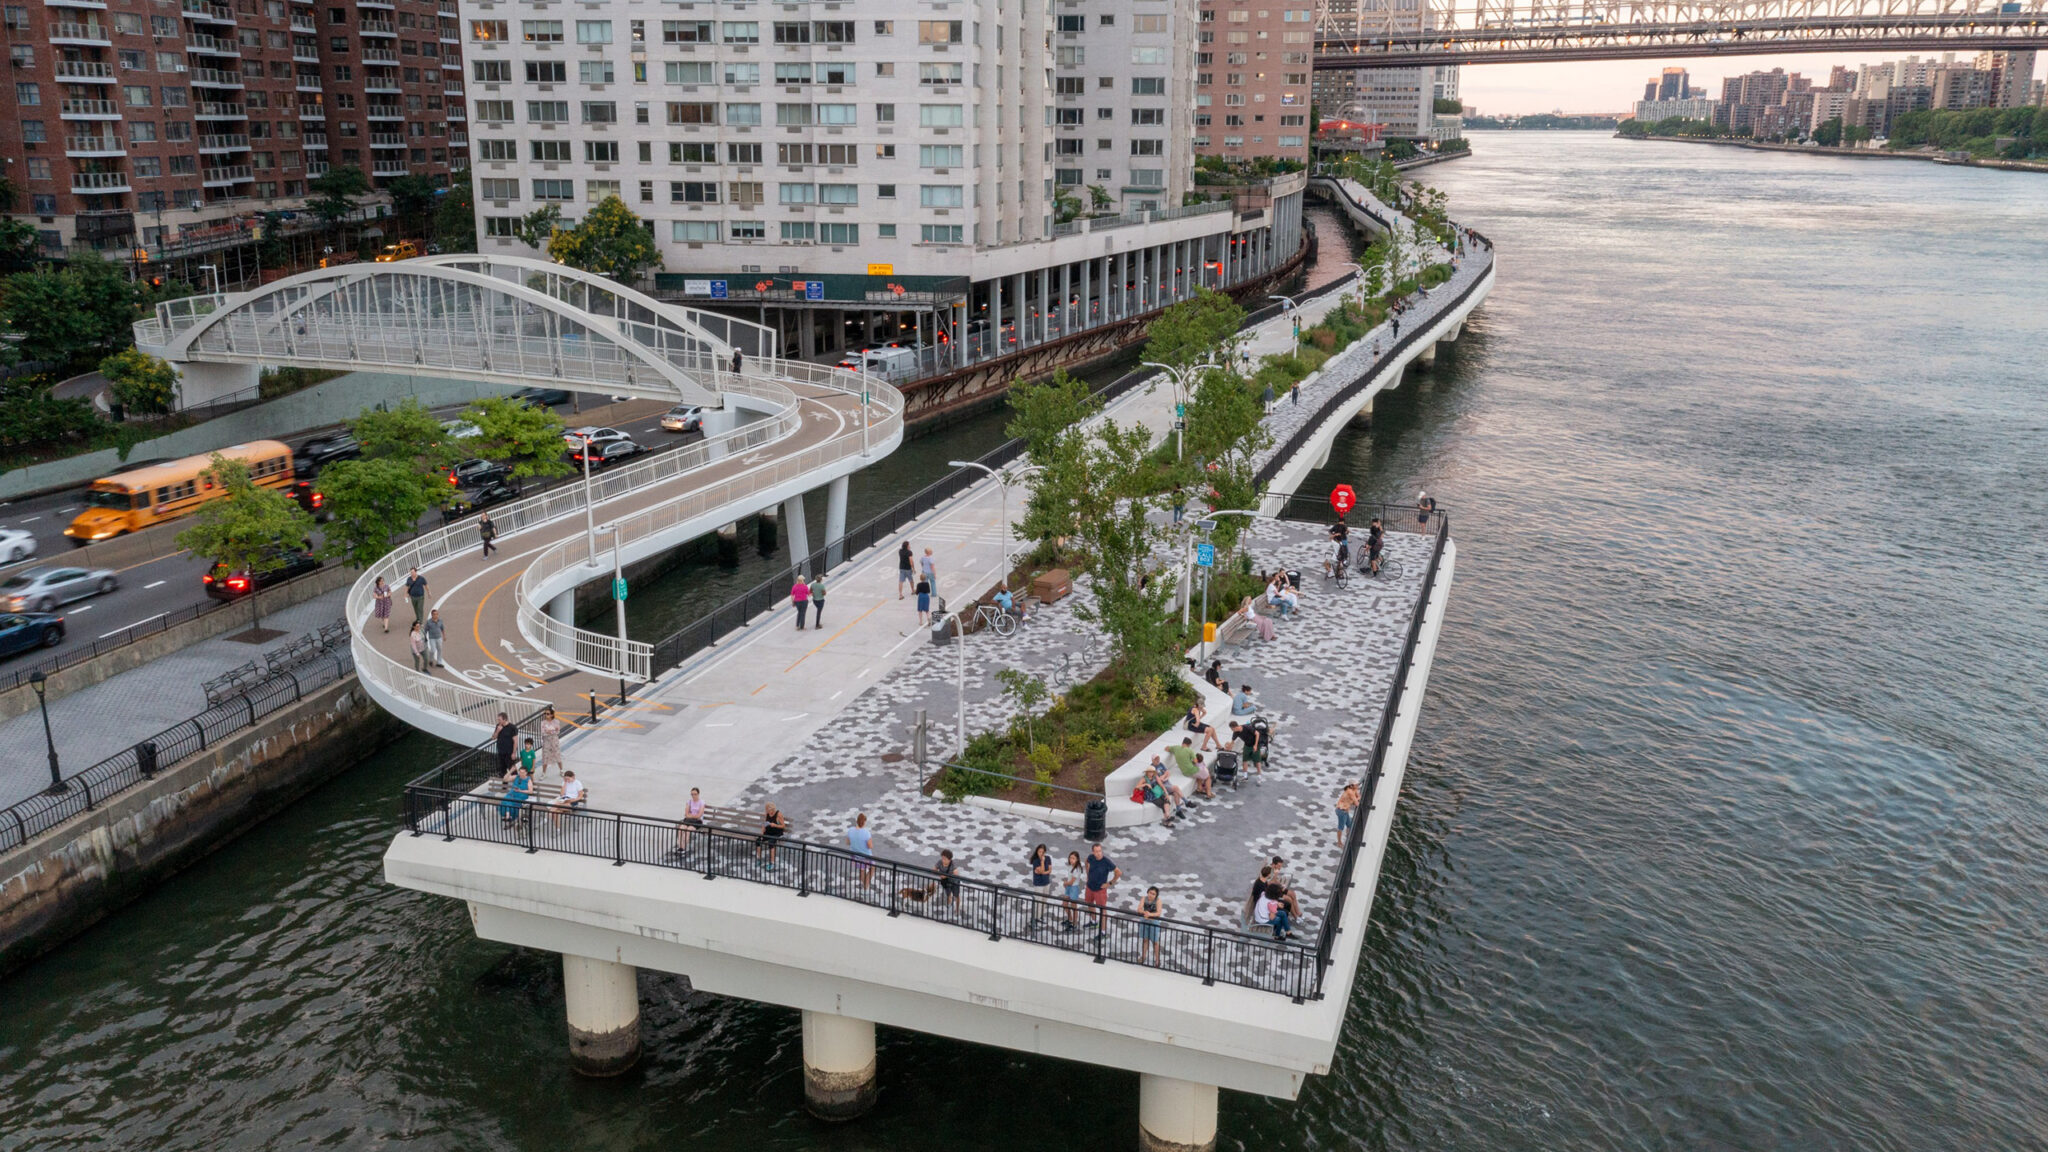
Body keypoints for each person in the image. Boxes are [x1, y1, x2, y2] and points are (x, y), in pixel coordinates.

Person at [1083, 843, 1119, 939]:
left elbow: (1118, 872)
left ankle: (1103, 932)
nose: (1098, 853)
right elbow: (1086, 862)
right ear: (1093, 852)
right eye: (1096, 851)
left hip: (1100, 890)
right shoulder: (1091, 857)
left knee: (1103, 911)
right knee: (1089, 903)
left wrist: (1109, 883)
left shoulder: (1107, 862)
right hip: (1090, 887)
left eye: (1100, 851)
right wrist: (1088, 875)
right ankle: (1094, 922)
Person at [673, 786, 706, 856]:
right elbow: (686, 814)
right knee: (681, 828)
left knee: (688, 830)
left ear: (698, 794)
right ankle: (680, 847)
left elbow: (699, 815)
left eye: (695, 794)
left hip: (697, 822)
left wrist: (690, 815)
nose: (693, 796)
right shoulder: (689, 802)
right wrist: (691, 815)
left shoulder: (702, 802)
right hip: (689, 820)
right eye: (692, 794)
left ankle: (683, 848)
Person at [754, 802, 788, 869]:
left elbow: (783, 826)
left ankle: (772, 863)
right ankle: (758, 859)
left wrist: (775, 825)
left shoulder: (778, 814)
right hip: (768, 832)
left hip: (776, 833)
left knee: (771, 843)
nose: (769, 812)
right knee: (758, 841)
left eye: (769, 811)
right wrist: (763, 828)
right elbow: (765, 823)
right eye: (767, 810)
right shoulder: (767, 814)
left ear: (773, 809)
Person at [1027, 843, 1053, 928]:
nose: (1041, 853)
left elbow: (1049, 870)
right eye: (1039, 851)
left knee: (1044, 901)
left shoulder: (1048, 858)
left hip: (1046, 883)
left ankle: (1039, 917)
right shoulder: (1036, 861)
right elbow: (1041, 870)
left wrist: (1044, 872)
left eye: (1042, 852)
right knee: (1038, 901)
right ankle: (1033, 919)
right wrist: (1042, 862)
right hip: (1039, 884)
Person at [1138, 887, 1165, 966]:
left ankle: (1157, 960)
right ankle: (1143, 957)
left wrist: (1149, 915)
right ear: (1147, 892)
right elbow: (1139, 909)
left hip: (1154, 922)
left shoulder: (1158, 901)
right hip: (1144, 921)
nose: (1151, 895)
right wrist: (1145, 913)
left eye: (1153, 894)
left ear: (1156, 895)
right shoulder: (1144, 898)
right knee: (1145, 940)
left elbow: (1158, 913)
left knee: (1155, 942)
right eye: (1150, 893)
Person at [846, 813, 874, 887]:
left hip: (855, 856)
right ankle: (865, 886)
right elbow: (870, 846)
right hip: (866, 856)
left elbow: (848, 842)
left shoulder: (850, 830)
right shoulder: (866, 833)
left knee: (862, 870)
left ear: (857, 821)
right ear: (864, 822)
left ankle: (864, 886)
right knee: (872, 868)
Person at [1061, 850, 1085, 933]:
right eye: (1070, 858)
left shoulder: (1077, 869)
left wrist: (1065, 883)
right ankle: (1070, 920)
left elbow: (1071, 882)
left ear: (1077, 859)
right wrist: (1067, 884)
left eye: (1073, 858)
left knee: (1074, 907)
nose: (1071, 860)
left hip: (1073, 888)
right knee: (1064, 904)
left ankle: (1074, 924)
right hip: (1069, 887)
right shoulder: (1070, 866)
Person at [537, 706, 564, 778]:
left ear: (552, 714)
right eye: (545, 714)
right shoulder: (543, 722)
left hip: (554, 741)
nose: (546, 715)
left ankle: (561, 770)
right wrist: (552, 731)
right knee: (545, 756)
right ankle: (544, 773)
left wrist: (549, 731)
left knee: (557, 755)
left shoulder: (556, 721)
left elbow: (558, 731)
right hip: (546, 742)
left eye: (548, 714)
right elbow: (543, 733)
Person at [1335, 781, 1361, 849]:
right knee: (1341, 827)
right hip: (1341, 811)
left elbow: (1358, 796)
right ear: (1351, 786)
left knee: (1349, 824)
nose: (1358, 785)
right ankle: (1339, 843)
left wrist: (1357, 796)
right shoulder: (1350, 792)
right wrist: (1357, 799)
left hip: (1345, 811)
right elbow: (1357, 804)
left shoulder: (1353, 789)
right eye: (1356, 784)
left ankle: (1348, 836)